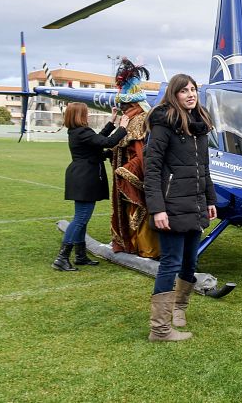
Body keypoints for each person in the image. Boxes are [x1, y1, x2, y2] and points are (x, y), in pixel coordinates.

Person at [144, 74, 218, 342]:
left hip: (195, 204)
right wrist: (157, 209)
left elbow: (204, 169)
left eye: (193, 89)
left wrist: (210, 200)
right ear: (174, 95)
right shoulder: (163, 124)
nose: (191, 94)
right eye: (184, 90)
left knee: (190, 262)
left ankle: (179, 309)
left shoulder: (200, 126)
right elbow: (152, 169)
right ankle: (160, 329)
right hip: (171, 206)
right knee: (170, 263)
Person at [53, 103, 129, 271]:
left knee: (82, 219)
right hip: (84, 178)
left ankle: (80, 256)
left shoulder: (77, 131)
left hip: (81, 176)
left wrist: (112, 121)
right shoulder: (82, 132)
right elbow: (108, 142)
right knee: (81, 218)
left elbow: (97, 141)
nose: (88, 115)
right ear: (79, 115)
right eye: (86, 113)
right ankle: (61, 258)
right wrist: (123, 127)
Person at [110, 58, 159, 258]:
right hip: (126, 174)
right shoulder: (129, 118)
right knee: (128, 211)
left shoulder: (140, 119)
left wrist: (127, 172)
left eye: (124, 104)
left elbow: (141, 151)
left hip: (135, 177)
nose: (122, 108)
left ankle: (146, 249)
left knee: (139, 211)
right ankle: (133, 245)